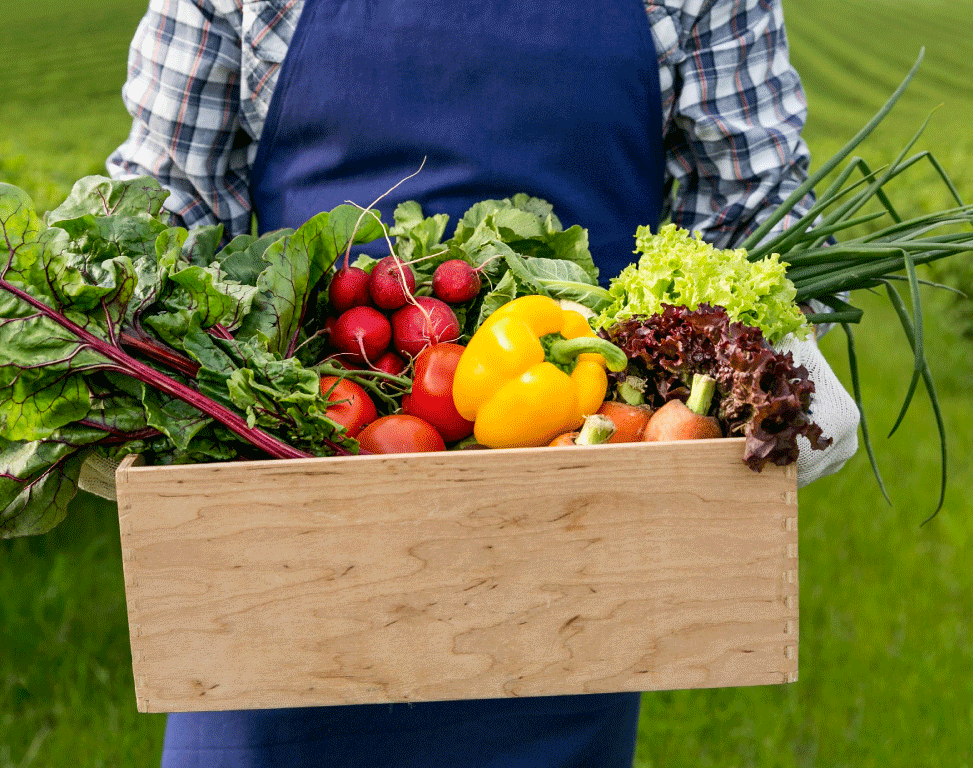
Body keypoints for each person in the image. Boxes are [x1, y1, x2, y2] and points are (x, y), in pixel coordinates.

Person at [106, 1, 858, 765]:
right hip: (281, 526)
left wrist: (782, 345)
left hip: (570, 538)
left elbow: (757, 209)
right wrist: (126, 348)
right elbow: (170, 198)